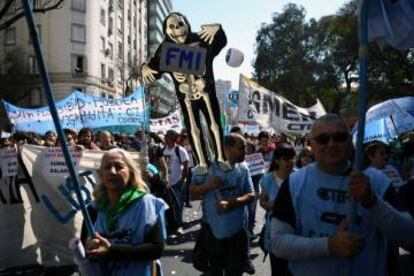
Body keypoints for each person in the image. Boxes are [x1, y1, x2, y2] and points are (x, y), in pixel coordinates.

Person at [270, 113, 414, 276]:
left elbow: (409, 237)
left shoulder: (376, 181)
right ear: (311, 144)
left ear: (350, 142)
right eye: (323, 139)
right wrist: (330, 245)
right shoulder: (294, 183)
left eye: (339, 137)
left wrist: (373, 202)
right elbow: (278, 243)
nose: (331, 144)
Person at [81, 148, 167, 275]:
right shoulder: (93, 209)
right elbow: (84, 248)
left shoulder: (148, 204)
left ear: (131, 172)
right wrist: (89, 249)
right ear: (100, 174)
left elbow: (156, 249)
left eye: (119, 166)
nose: (112, 172)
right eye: (107, 167)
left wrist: (111, 251)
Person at [190, 133, 255, 276]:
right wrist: (208, 186)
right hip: (212, 233)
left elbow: (251, 194)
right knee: (215, 270)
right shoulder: (205, 166)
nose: (246, 151)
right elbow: (191, 192)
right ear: (227, 148)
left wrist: (231, 203)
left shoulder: (243, 167)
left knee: (235, 271)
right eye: (241, 148)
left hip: (238, 232)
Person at [259, 143, 296, 276]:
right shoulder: (268, 179)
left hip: (296, 233)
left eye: (292, 158)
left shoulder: (299, 177)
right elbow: (262, 201)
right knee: (278, 269)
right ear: (277, 160)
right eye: (286, 159)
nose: (290, 162)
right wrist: (278, 206)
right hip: (275, 232)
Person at [163, 130, 189, 232]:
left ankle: (179, 224)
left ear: (173, 137)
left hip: (177, 182)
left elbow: (186, 165)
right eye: (165, 136)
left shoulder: (180, 150)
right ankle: (170, 224)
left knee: (178, 204)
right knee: (167, 204)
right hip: (166, 182)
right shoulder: (163, 150)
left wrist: (182, 179)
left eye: (167, 136)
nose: (165, 138)